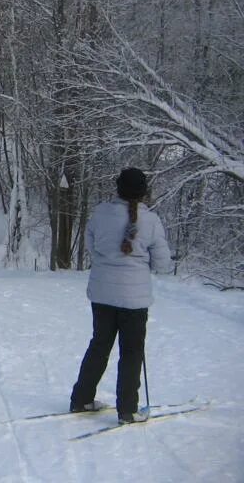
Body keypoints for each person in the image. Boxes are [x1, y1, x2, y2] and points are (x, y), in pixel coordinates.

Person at [70, 168, 172, 425]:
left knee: (99, 345)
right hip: (134, 300)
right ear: (143, 192)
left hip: (102, 295)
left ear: (117, 188)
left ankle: (81, 399)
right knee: (132, 352)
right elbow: (163, 264)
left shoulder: (100, 213)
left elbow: (92, 246)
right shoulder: (151, 221)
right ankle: (127, 410)